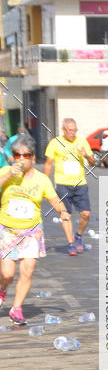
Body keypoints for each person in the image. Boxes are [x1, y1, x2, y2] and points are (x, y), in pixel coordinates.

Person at [0, 134, 73, 324]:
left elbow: (54, 199)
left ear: (33, 158)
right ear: (12, 157)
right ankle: (2, 289)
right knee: (7, 274)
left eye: (26, 155)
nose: (22, 159)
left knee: (28, 269)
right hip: (7, 230)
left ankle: (16, 309)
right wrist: (9, 175)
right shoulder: (5, 171)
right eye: (17, 155)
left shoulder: (41, 179)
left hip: (31, 231)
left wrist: (62, 211)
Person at [44, 118, 95, 255]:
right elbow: (48, 163)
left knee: (86, 214)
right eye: (70, 130)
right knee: (65, 214)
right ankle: (71, 244)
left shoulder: (81, 141)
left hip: (80, 184)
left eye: (74, 130)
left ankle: (78, 235)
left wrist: (87, 156)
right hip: (62, 184)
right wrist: (45, 182)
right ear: (63, 130)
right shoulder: (55, 143)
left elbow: (93, 161)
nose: (73, 133)